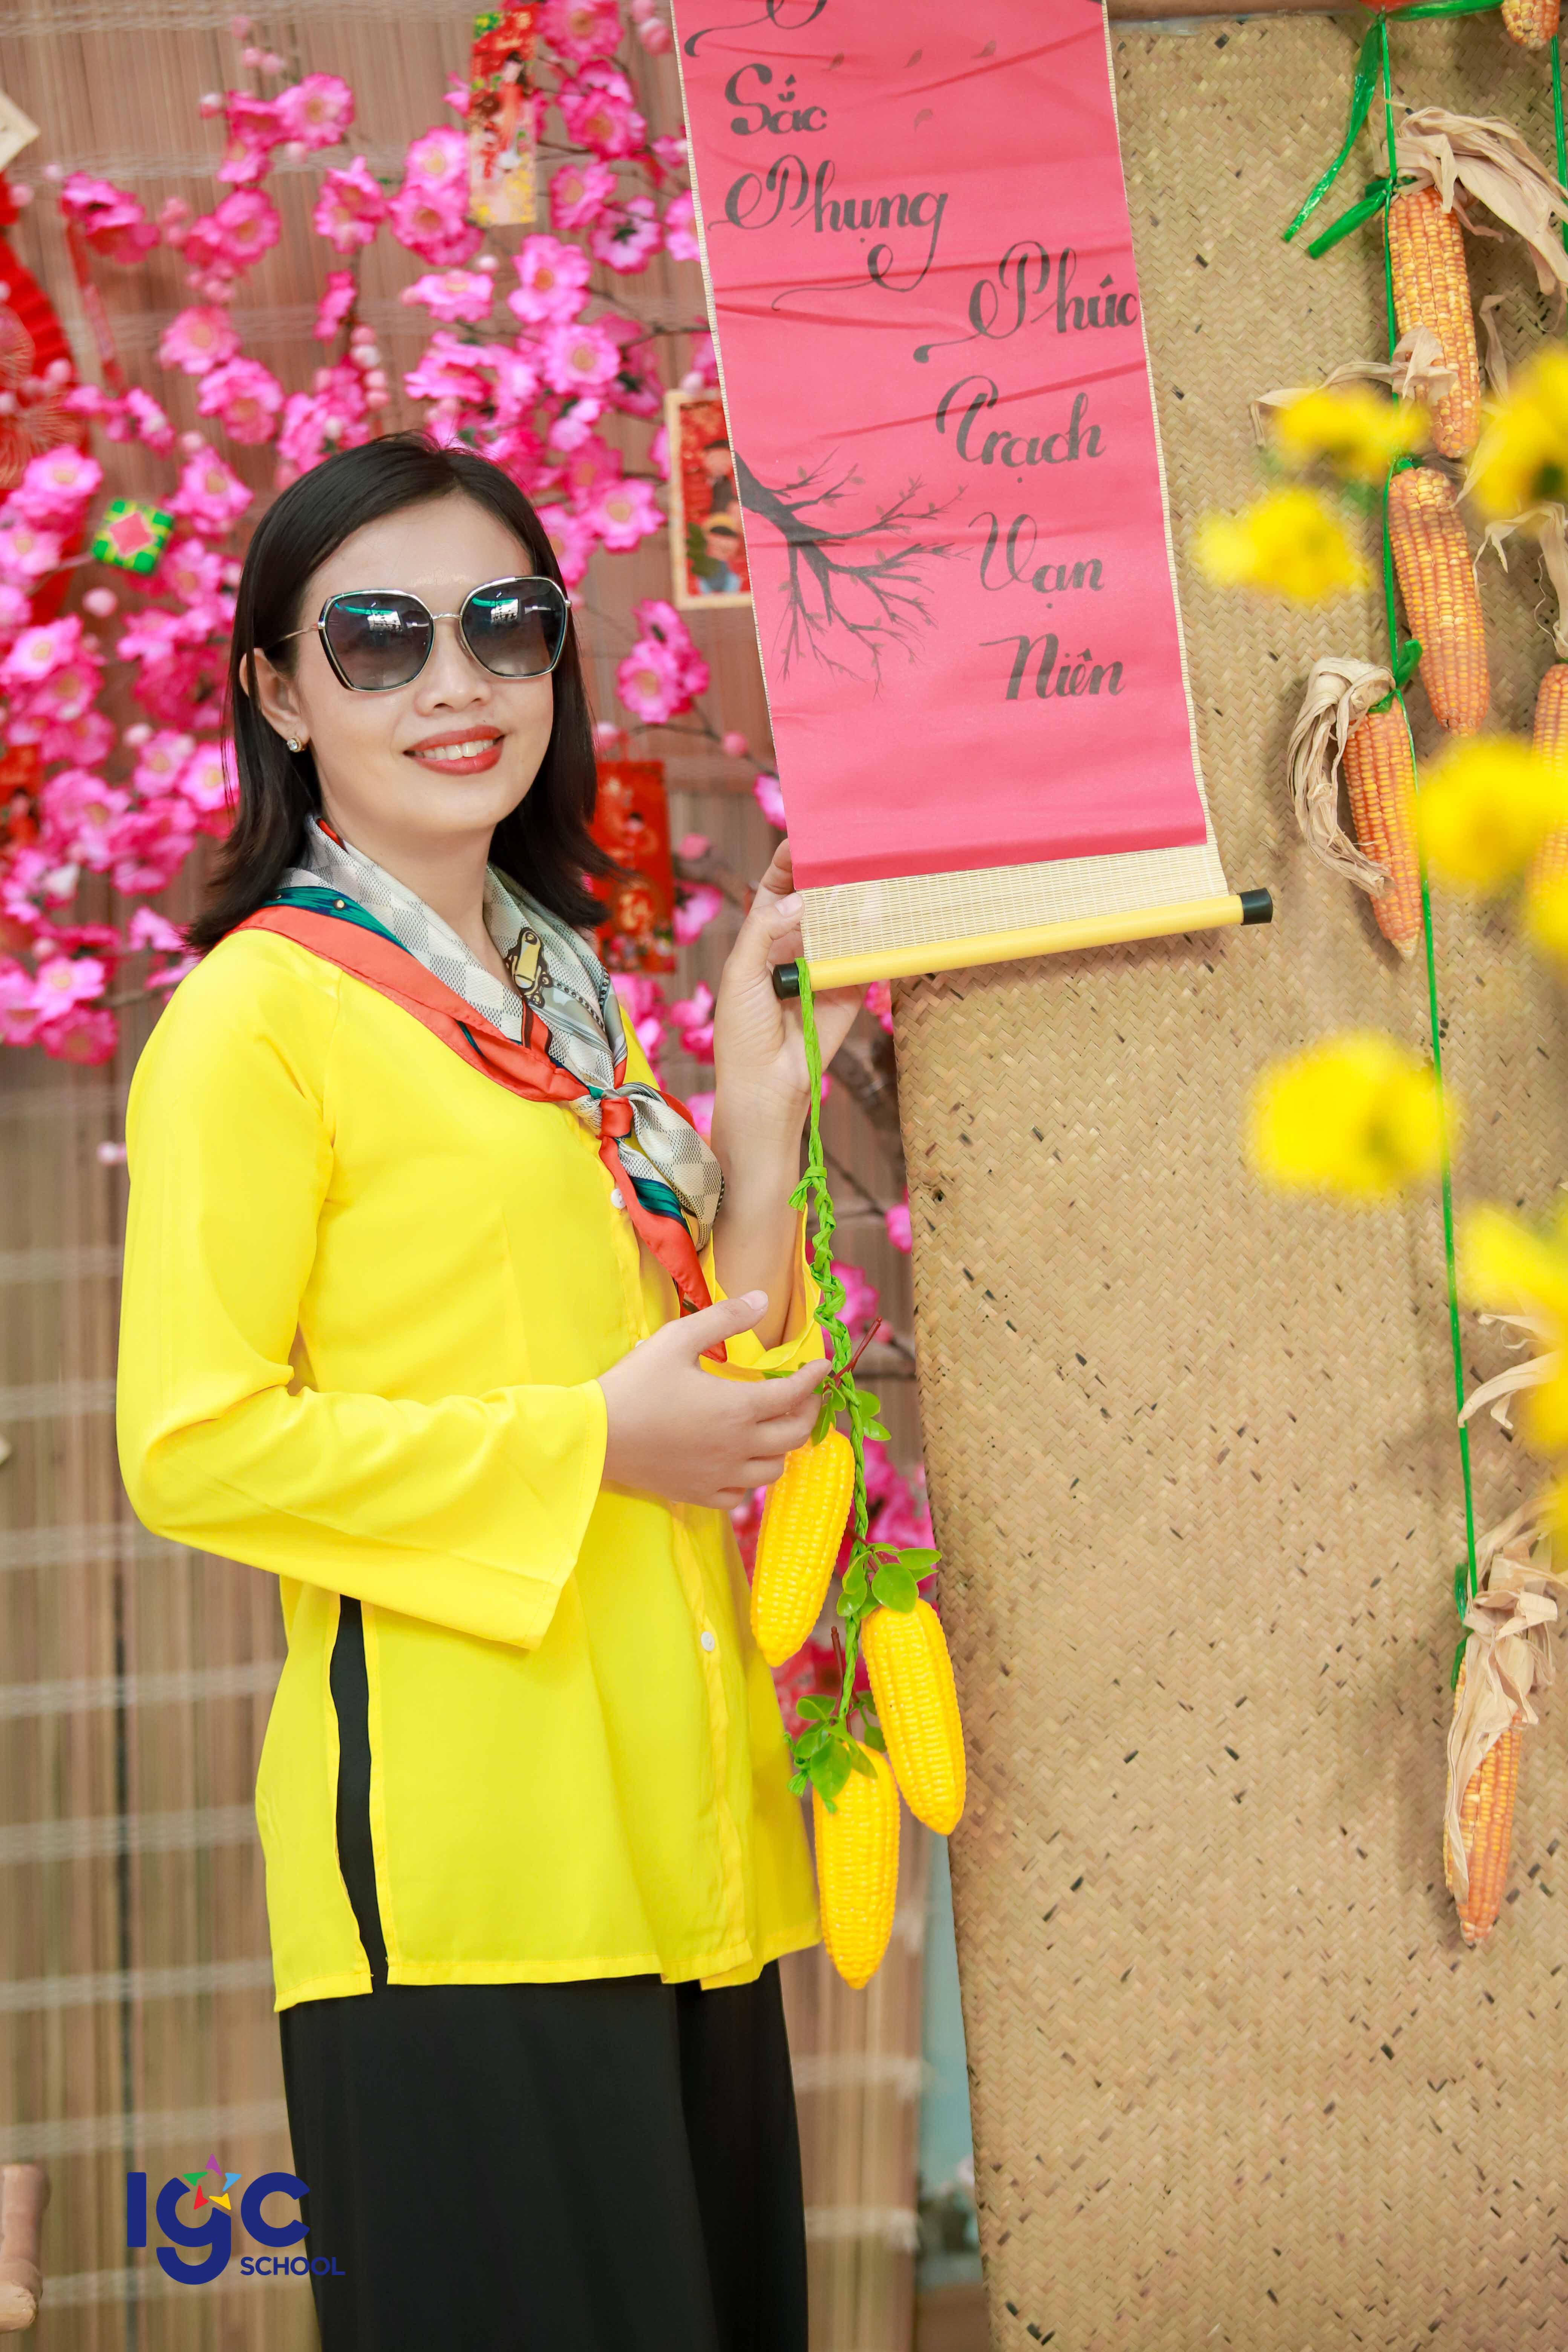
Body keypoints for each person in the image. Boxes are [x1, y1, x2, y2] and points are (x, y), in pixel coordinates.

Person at [114, 431, 862, 2350]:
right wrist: (590, 1442)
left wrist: (753, 1108)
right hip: (462, 1891)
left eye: (504, 626)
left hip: (679, 1855)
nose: (455, 682)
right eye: (378, 639)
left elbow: (712, 1392)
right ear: (281, 694)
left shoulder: (559, 1003)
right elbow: (192, 1449)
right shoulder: (256, 1020)